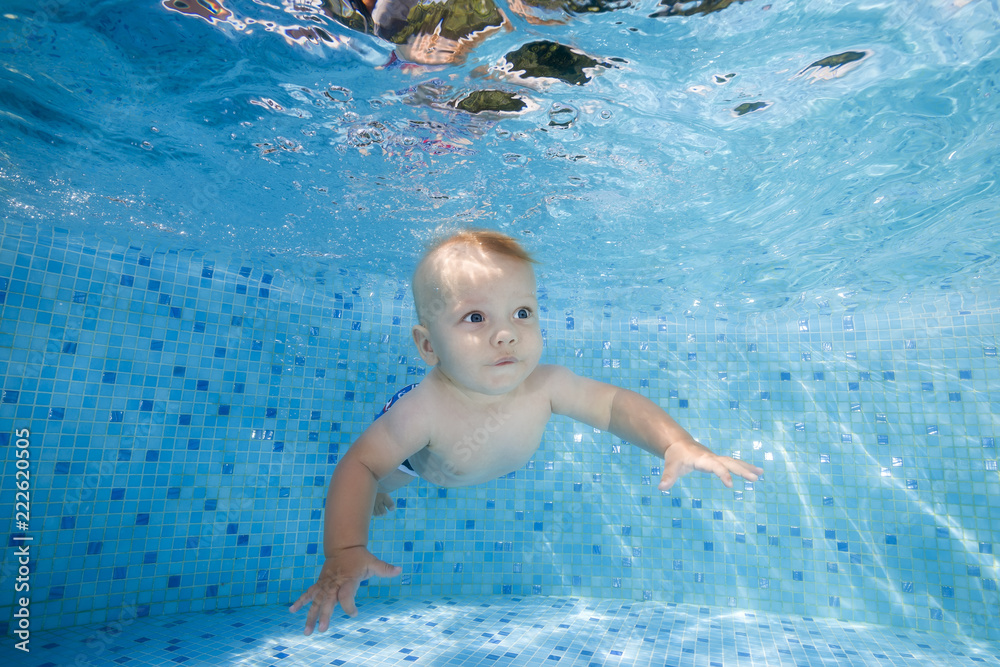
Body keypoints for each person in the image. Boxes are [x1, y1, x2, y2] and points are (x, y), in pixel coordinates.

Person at [289, 229, 763, 635]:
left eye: (522, 312)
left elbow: (615, 405)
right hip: (426, 460)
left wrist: (677, 442)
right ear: (429, 345)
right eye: (476, 318)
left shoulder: (545, 384)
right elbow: (360, 462)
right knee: (384, 477)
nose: (507, 334)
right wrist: (346, 548)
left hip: (468, 457)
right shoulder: (423, 412)